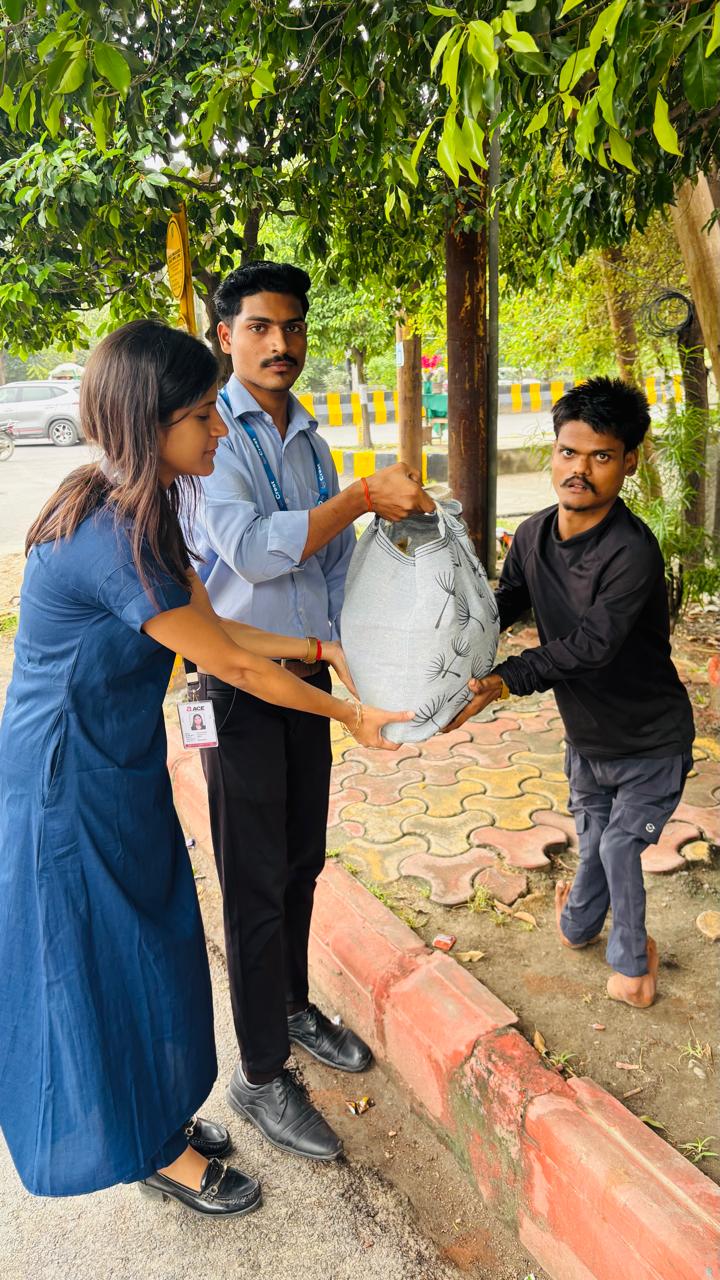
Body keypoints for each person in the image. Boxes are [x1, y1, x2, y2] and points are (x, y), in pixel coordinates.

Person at [0, 320, 410, 1217]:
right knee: (109, 963)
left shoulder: (137, 507)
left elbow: (220, 632)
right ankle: (146, 1147)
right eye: (199, 417)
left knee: (157, 946)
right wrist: (351, 712)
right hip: (66, 785)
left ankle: (158, 1122)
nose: (218, 431)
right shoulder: (114, 536)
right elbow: (236, 668)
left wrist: (321, 644)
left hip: (115, 763)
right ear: (151, 424)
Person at [193, 261, 434, 1162]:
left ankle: (290, 1010)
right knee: (253, 883)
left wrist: (355, 655)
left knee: (299, 864)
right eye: (259, 327)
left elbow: (328, 573)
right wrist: (361, 498)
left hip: (307, 681)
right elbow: (252, 555)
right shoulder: (210, 434)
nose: (281, 344)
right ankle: (257, 1076)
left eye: (292, 326)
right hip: (239, 686)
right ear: (226, 336)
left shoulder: (311, 438)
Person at [449, 377, 694, 1009]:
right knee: (592, 834)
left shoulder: (631, 553)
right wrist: (458, 630)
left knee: (618, 843)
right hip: (588, 739)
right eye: (568, 452)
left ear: (629, 462)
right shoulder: (532, 534)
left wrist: (505, 680)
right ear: (554, 451)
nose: (578, 470)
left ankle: (634, 963)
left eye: (600, 456)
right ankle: (581, 921)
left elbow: (591, 647)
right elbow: (509, 602)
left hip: (651, 742)